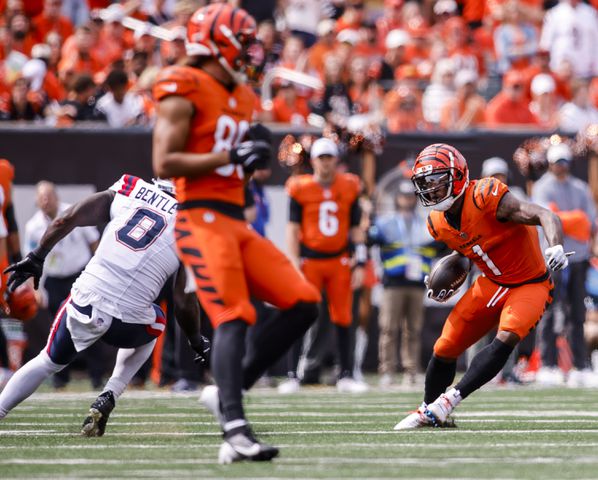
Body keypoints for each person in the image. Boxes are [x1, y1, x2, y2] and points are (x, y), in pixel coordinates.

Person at [151, 3, 320, 464]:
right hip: (199, 218)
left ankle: (229, 391)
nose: (250, 52)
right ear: (216, 40)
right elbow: (164, 161)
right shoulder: (183, 83)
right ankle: (236, 429)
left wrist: (253, 158)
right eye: (243, 42)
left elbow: (238, 158)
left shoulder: (241, 95)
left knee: (303, 302)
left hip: (234, 219)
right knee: (234, 314)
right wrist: (231, 156)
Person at [0, 176, 209, 435]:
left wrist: (36, 257)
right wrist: (196, 340)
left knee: (46, 362)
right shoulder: (192, 224)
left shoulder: (131, 187)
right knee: (157, 320)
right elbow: (184, 301)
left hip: (86, 300)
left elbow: (67, 218)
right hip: (130, 321)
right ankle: (110, 392)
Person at [394, 143, 567, 430]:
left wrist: (556, 244)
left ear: (458, 176)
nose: (432, 190)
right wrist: (446, 274)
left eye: (438, 181)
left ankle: (450, 401)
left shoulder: (486, 195)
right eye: (426, 183)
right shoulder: (437, 223)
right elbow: (467, 250)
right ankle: (429, 409)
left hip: (529, 283)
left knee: (507, 336)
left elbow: (545, 215)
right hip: (492, 283)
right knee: (445, 345)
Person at [280, 137, 368, 394]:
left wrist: (360, 261)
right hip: (310, 260)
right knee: (300, 315)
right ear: (314, 161)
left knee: (343, 316)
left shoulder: (349, 185)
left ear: (336, 159)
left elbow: (356, 229)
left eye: (330, 157)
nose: (326, 162)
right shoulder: (300, 187)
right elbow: (293, 228)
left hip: (339, 260)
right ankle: (292, 375)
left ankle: (346, 374)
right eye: (321, 158)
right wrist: (294, 262)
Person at [24, 180, 101, 389]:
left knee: (91, 323)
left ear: (56, 196)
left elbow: (95, 243)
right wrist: (35, 288)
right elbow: (30, 259)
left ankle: (97, 376)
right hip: (55, 281)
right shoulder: (33, 227)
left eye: (48, 195)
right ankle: (61, 378)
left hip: (80, 276)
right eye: (41, 197)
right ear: (37, 201)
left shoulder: (75, 212)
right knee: (59, 329)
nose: (45, 200)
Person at [532, 143, 596, 387]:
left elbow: (586, 222)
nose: (561, 167)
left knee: (577, 313)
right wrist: (574, 219)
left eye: (564, 162)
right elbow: (549, 218)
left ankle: (581, 365)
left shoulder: (580, 188)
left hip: (578, 257)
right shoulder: (542, 187)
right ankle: (547, 364)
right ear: (550, 163)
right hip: (552, 258)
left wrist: (567, 220)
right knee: (548, 312)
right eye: (558, 162)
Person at [369, 180, 437, 388]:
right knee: (389, 327)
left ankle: (410, 370)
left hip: (417, 282)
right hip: (393, 283)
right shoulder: (386, 222)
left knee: (413, 329)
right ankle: (387, 370)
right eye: (403, 196)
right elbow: (371, 237)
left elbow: (437, 245)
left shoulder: (424, 222)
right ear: (397, 199)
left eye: (410, 196)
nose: (407, 200)